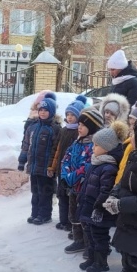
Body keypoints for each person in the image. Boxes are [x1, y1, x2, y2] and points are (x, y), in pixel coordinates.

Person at [78, 120, 127, 272]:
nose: (93, 148)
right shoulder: (97, 162)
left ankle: (101, 262)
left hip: (100, 210)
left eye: (96, 146)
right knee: (91, 234)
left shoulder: (109, 167)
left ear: (107, 148)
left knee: (99, 236)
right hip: (89, 205)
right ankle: (92, 258)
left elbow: (106, 191)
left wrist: (99, 208)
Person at [105, 118, 137, 272]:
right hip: (128, 220)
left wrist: (121, 204)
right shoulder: (134, 156)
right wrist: (114, 194)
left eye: (135, 134)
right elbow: (123, 183)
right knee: (127, 259)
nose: (131, 137)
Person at [60, 107, 104, 253]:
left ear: (91, 128)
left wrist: (72, 177)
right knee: (73, 214)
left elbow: (88, 165)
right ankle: (78, 240)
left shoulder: (94, 146)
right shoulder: (77, 142)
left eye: (83, 125)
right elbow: (66, 158)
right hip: (73, 187)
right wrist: (65, 176)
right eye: (79, 124)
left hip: (85, 188)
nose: (79, 127)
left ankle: (88, 244)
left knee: (84, 216)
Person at [18, 96, 61, 225]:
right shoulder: (33, 127)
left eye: (46, 110)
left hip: (46, 168)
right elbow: (26, 144)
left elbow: (56, 150)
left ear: (52, 112)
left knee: (45, 192)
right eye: (40, 109)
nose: (42, 112)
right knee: (35, 191)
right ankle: (35, 213)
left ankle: (45, 215)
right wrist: (22, 160)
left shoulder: (55, 128)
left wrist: (52, 168)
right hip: (34, 166)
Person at [50, 96, 87, 230]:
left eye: (73, 115)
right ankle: (63, 220)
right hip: (62, 169)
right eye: (68, 114)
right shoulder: (63, 130)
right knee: (61, 195)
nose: (70, 117)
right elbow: (58, 149)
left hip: (72, 170)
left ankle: (72, 223)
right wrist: (53, 166)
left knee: (71, 197)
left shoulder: (79, 131)